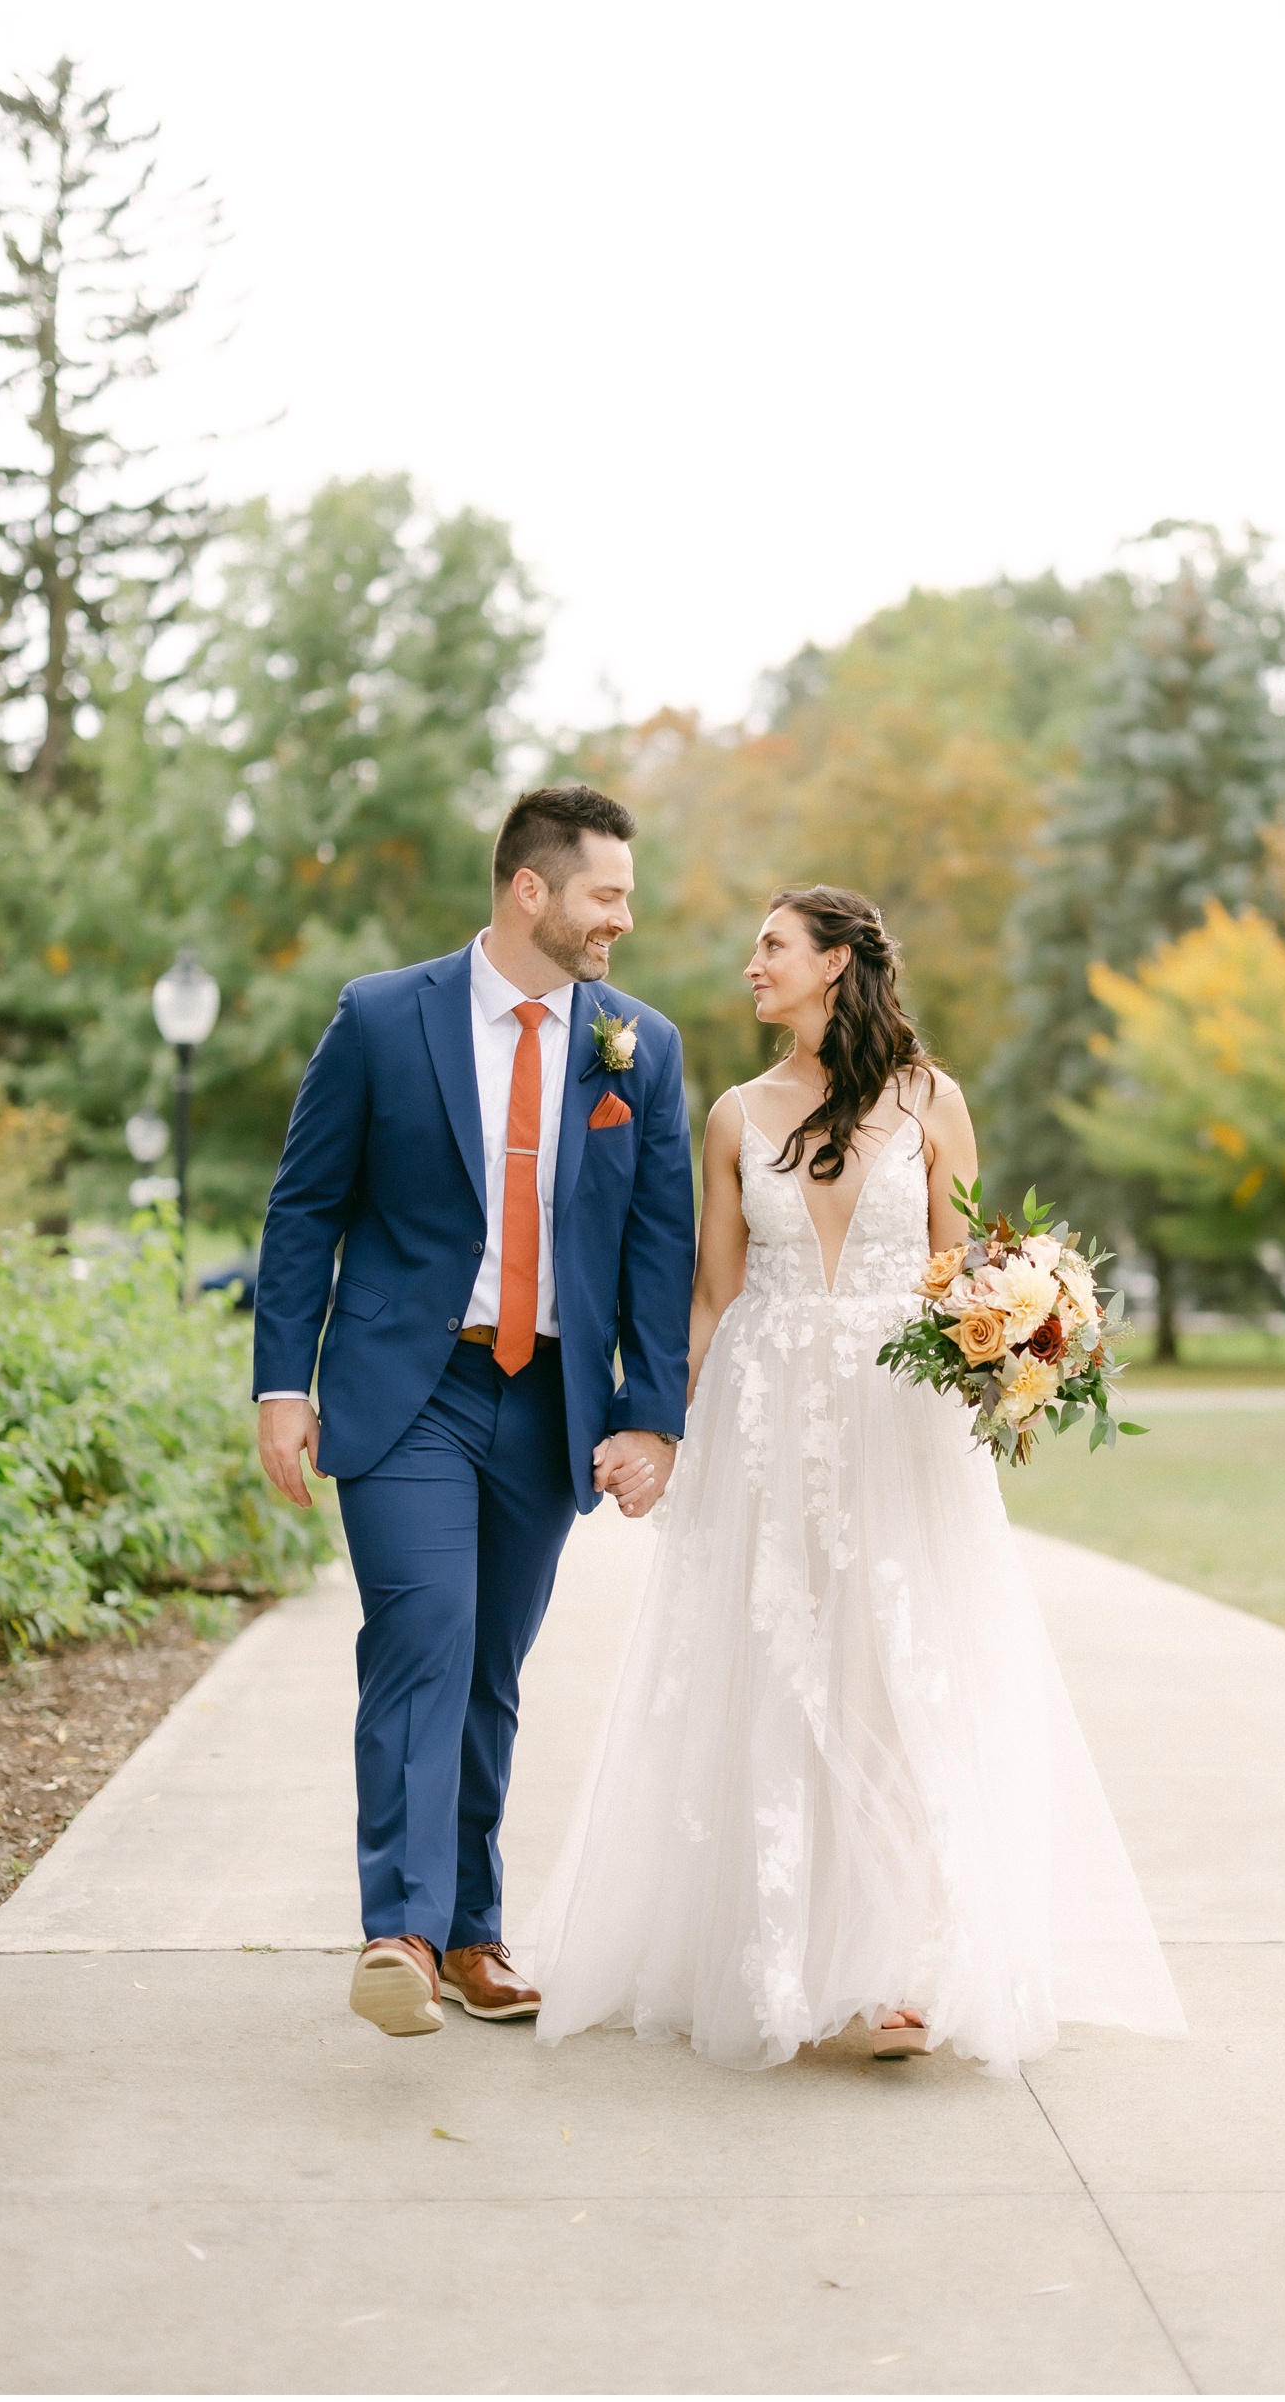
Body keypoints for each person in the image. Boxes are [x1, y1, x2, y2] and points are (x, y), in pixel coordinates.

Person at [529, 885, 1186, 2075]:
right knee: (776, 1668)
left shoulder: (933, 1099)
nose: (750, 965)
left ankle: (906, 1965)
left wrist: (1025, 1336)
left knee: (901, 1669)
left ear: (835, 962)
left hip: (900, 1421)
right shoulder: (732, 1113)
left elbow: (964, 1271)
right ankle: (780, 1953)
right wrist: (659, 1431)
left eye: (771, 946)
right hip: (769, 1413)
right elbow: (711, 1297)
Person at [253, 785, 693, 2039]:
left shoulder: (636, 1046)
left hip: (548, 1397)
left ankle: (470, 1931)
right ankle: (397, 1924)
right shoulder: (384, 1018)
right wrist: (283, 1383)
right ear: (531, 890)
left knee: (491, 1665)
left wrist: (649, 1414)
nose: (625, 915)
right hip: (407, 1391)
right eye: (607, 892)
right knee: (424, 1633)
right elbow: (304, 1210)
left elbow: (660, 1247)